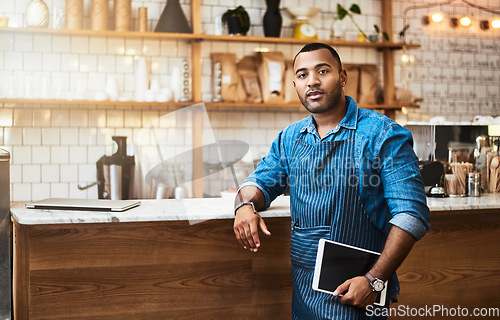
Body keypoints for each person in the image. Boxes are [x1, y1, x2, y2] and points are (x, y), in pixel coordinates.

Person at [233, 42, 430, 319]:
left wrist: (375, 279)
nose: (312, 81)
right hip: (303, 296)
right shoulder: (291, 138)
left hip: (358, 293)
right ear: (295, 84)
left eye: (322, 71)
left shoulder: (383, 134)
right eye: (302, 75)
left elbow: (411, 215)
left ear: (342, 77)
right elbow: (259, 184)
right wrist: (244, 206)